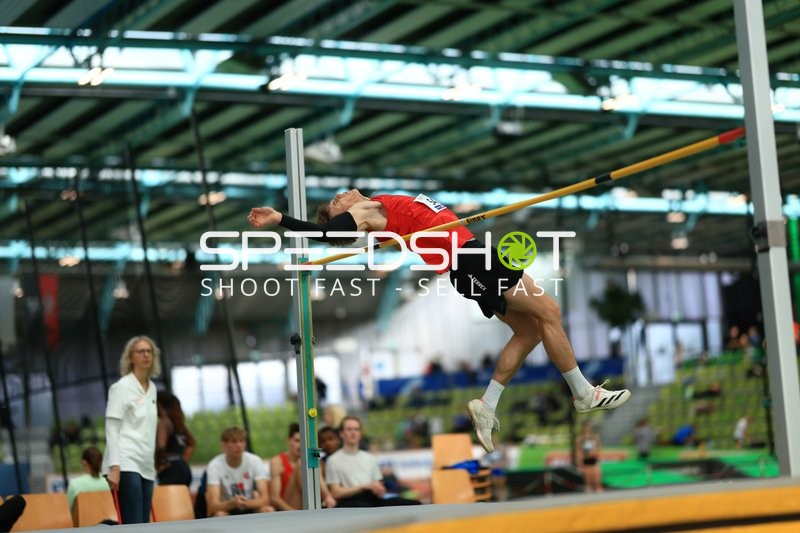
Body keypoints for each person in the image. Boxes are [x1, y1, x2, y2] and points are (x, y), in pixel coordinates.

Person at [248, 191, 631, 453]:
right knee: (550, 312)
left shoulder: (379, 207)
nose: (338, 197)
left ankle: (487, 404)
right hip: (470, 258)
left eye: (336, 199)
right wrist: (281, 219)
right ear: (350, 217)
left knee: (529, 330)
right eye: (336, 205)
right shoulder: (365, 213)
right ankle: (583, 394)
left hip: (466, 261)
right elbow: (329, 233)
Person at [102, 335, 160, 524]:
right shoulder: (121, 387)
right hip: (125, 460)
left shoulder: (152, 388)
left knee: (143, 523)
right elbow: (112, 427)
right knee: (133, 523)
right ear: (131, 357)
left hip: (146, 463)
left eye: (149, 351)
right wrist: (114, 466)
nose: (146, 355)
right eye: (141, 351)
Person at [324, 416, 420, 507]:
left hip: (372, 499)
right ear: (341, 433)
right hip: (351, 501)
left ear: (360, 433)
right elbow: (335, 492)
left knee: (414, 504)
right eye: (349, 429)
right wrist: (363, 487)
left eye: (356, 429)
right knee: (363, 506)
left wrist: (379, 489)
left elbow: (378, 485)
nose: (353, 433)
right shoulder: (333, 460)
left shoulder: (370, 458)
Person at [205, 426, 274, 517]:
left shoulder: (255, 460)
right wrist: (234, 503)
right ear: (224, 445)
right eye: (234, 442)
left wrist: (247, 503)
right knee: (220, 514)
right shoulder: (214, 465)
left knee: (268, 510)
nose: (239, 445)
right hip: (227, 507)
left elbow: (265, 499)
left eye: (242, 441)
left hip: (250, 505)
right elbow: (213, 505)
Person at [270, 423, 337, 510]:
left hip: (309, 504)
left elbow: (317, 459)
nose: (300, 445)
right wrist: (293, 513)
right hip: (289, 506)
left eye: (304, 442)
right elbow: (275, 498)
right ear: (288, 441)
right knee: (303, 463)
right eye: (297, 441)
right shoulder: (277, 462)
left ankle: (324, 500)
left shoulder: (316, 458)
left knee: (313, 461)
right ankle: (324, 500)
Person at [156, 391, 196, 486]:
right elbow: (192, 443)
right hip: (183, 468)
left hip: (169, 467)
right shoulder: (179, 425)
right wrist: (182, 461)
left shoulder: (164, 423)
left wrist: (158, 464)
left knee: (168, 495)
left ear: (159, 406)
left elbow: (161, 445)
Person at [67, 446, 112, 515]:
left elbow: (69, 511)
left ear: (84, 462)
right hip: (109, 520)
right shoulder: (110, 482)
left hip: (83, 521)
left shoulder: (75, 484)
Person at [575, 421, 603, 492]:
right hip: (586, 461)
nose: (587, 429)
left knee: (596, 480)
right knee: (588, 482)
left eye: (588, 427)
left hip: (593, 460)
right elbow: (578, 452)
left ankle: (597, 489)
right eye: (585, 427)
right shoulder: (580, 438)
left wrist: (594, 452)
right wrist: (579, 464)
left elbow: (598, 448)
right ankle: (589, 489)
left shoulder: (595, 437)